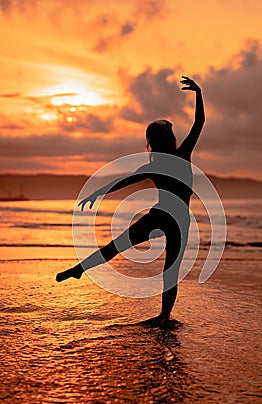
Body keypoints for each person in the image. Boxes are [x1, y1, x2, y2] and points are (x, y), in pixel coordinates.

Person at [56, 76, 205, 326]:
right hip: (177, 220)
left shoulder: (156, 164)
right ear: (167, 139)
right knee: (171, 272)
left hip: (160, 217)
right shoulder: (180, 156)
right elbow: (199, 122)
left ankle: (79, 269)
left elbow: (123, 181)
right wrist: (199, 93)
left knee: (116, 247)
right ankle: (164, 317)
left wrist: (98, 193)